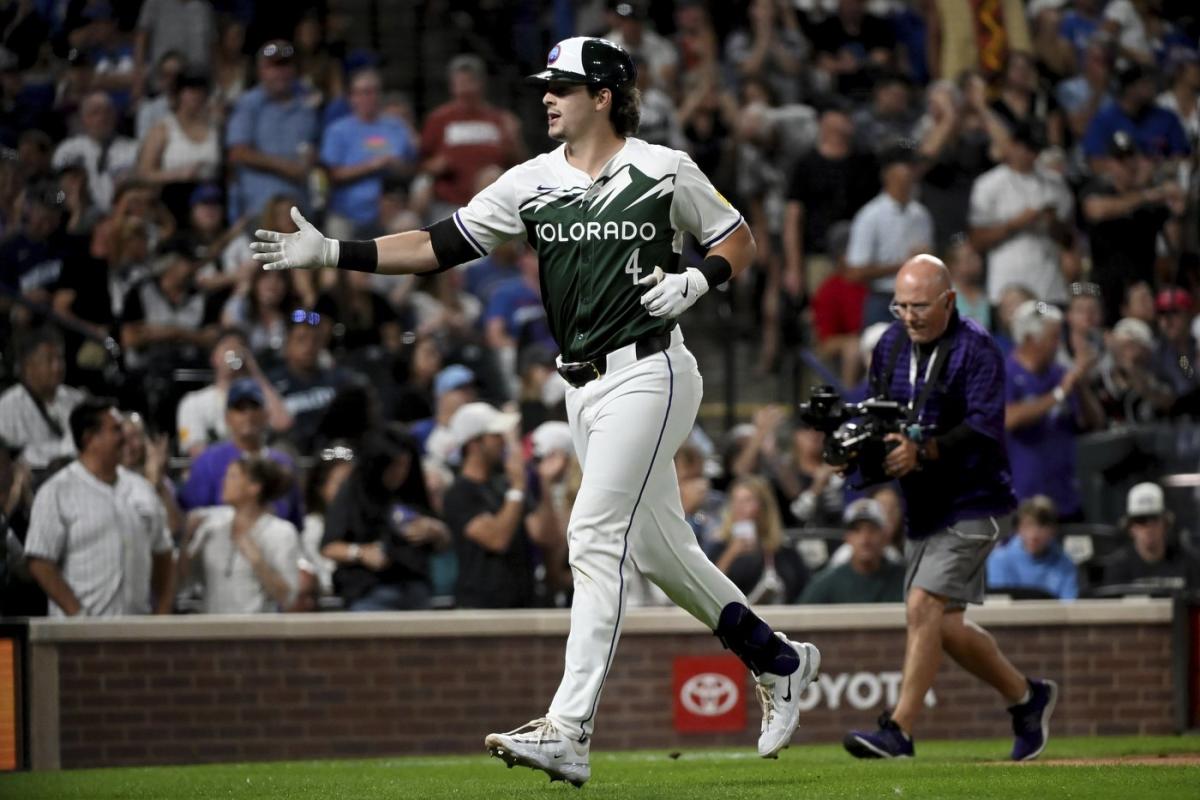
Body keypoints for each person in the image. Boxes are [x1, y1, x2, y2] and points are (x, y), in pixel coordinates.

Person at [251, 36, 820, 784]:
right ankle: (779, 660)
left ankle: (569, 727)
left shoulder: (662, 167)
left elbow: (738, 237)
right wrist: (333, 255)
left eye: (562, 85)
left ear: (604, 95)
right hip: (582, 388)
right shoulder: (529, 181)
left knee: (591, 534)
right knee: (657, 553)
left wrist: (700, 279)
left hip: (651, 372)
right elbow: (435, 243)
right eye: (546, 85)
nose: (546, 96)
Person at [841, 255, 1056, 762]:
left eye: (920, 306)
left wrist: (924, 450)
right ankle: (1027, 698)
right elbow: (880, 415)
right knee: (946, 626)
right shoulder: (891, 344)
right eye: (901, 305)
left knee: (922, 606)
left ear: (949, 301)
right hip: (922, 502)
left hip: (975, 499)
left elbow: (984, 426)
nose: (909, 315)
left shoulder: (977, 347)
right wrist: (860, 455)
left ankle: (899, 730)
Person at [23, 398, 175, 617]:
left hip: (137, 634)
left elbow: (163, 553)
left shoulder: (141, 488)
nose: (125, 437)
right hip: (78, 638)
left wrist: (161, 613)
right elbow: (40, 562)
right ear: (89, 438)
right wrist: (77, 616)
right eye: (116, 429)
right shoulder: (57, 491)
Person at [321, 424, 448, 611]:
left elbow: (443, 542)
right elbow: (329, 547)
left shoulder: (413, 489)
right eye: (394, 466)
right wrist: (361, 552)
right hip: (370, 592)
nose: (401, 473)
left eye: (405, 465)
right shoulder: (353, 491)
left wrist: (435, 531)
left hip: (415, 589)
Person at [1004, 301, 1103, 521]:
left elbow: (1094, 422)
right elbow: (1009, 418)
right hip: (1026, 502)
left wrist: (1079, 384)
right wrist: (1059, 394)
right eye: (1052, 337)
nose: (1058, 345)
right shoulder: (1007, 373)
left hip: (1066, 497)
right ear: (1030, 339)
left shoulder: (1060, 374)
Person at [179, 455, 302, 613]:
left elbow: (287, 597)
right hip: (213, 631)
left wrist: (258, 562)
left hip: (257, 633)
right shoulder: (212, 529)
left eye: (233, 476)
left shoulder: (281, 533)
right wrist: (186, 540)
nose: (224, 481)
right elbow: (184, 581)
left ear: (254, 487)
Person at [178, 378, 304, 530]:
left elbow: (295, 521)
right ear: (227, 417)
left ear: (266, 415)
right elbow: (192, 516)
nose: (248, 415)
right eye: (240, 408)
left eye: (254, 407)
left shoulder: (283, 463)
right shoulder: (207, 461)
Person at [705, 475, 808, 604]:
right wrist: (731, 553)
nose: (739, 508)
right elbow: (707, 589)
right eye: (735, 501)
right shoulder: (719, 547)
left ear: (764, 507)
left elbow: (801, 590)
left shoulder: (783, 551)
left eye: (747, 500)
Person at [0, 328, 86, 474]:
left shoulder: (77, 400)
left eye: (60, 358)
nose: (57, 367)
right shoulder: (8, 406)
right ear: (28, 366)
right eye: (49, 360)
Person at [1100, 482, 1200, 595]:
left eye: (1154, 519)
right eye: (1140, 520)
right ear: (1131, 528)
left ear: (1165, 524)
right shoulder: (1117, 567)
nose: (1148, 528)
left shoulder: (1189, 563)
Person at [799, 498, 904, 604]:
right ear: (847, 537)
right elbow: (800, 615)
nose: (865, 539)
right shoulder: (827, 582)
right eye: (857, 530)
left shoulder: (903, 579)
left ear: (885, 536)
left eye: (872, 529)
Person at [986, 495, 1079, 600]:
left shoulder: (1065, 564)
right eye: (1028, 525)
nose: (1034, 535)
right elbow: (999, 606)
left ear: (1053, 530)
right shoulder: (998, 560)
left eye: (1041, 527)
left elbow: (1069, 607)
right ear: (1018, 528)